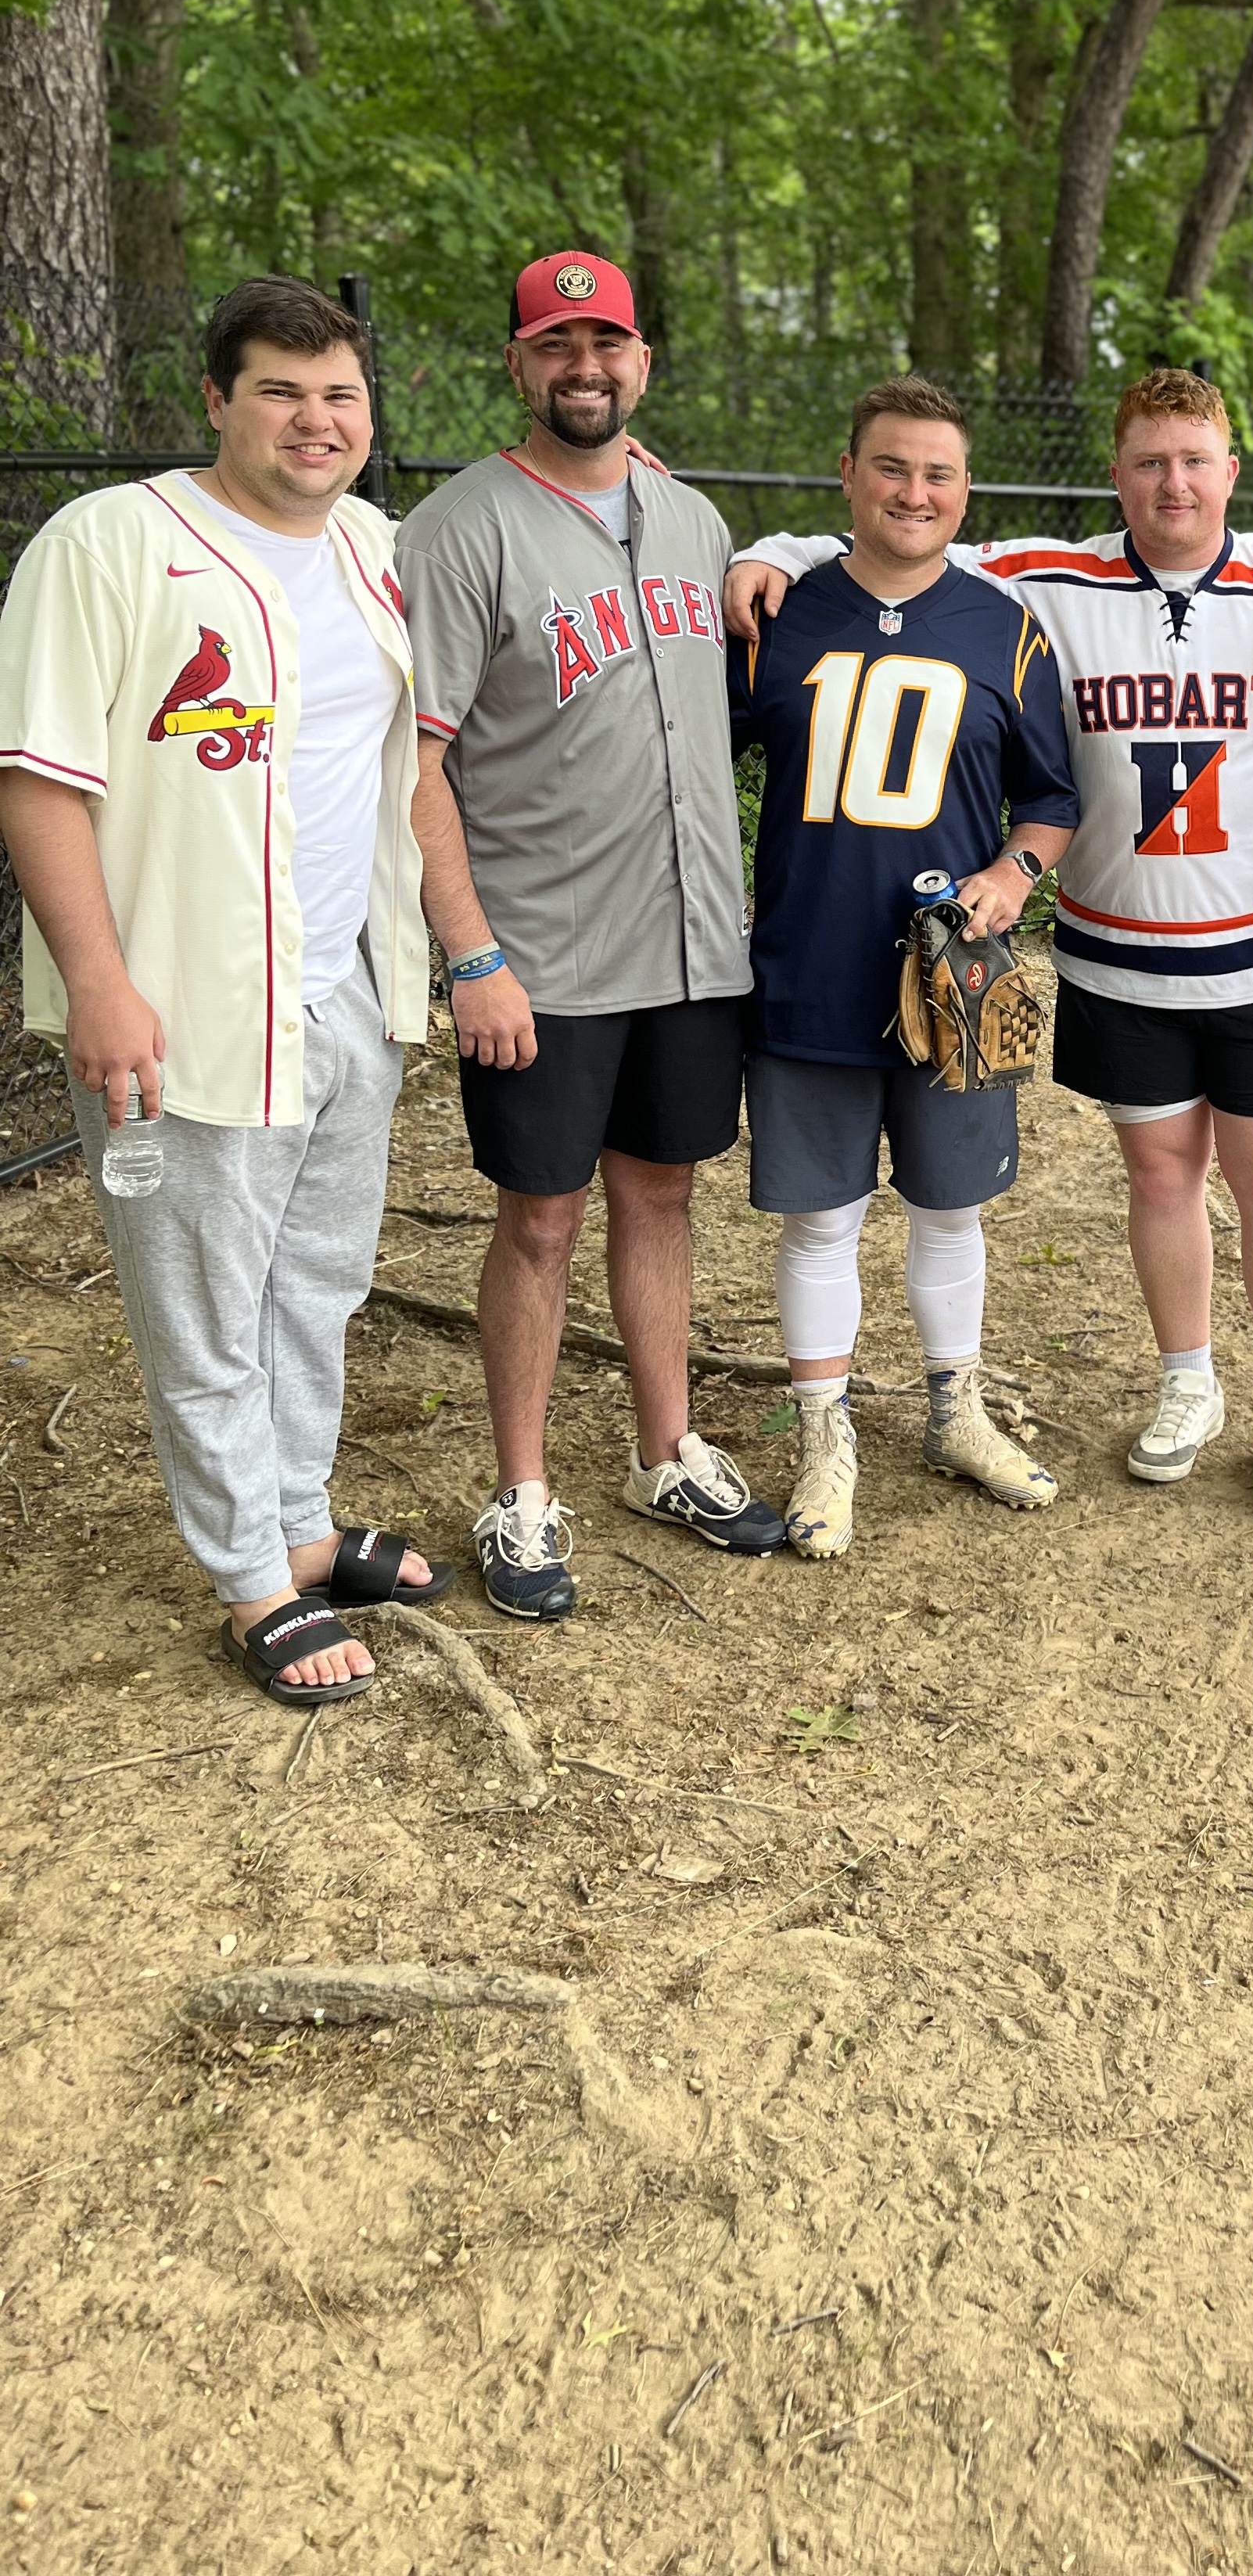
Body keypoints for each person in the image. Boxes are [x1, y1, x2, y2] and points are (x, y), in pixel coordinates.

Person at [725, 368, 1253, 1522]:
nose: (1175, 484)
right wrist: (773, 549)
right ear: (1116, 476)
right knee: (1159, 1176)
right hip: (1121, 954)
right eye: (1149, 463)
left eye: (1196, 461)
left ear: (1232, 471)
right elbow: (905, 544)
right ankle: (1189, 1385)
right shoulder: (1045, 581)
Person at [0, 275, 443, 1707]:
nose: (317, 420)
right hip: (182, 1002)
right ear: (215, 398)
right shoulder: (111, 542)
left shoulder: (376, 546)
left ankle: (299, 1520)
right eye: (280, 391)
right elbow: (38, 781)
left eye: (340, 395)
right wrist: (98, 981)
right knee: (203, 1307)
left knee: (315, 1283)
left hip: (345, 988)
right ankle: (253, 1578)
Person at [398, 250, 779, 1620]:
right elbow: (415, 763)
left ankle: (666, 1453)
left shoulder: (693, 519)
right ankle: (521, 1491)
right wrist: (471, 955)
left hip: (689, 942)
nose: (584, 367)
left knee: (664, 1192)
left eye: (606, 342)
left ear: (642, 363)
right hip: (542, 959)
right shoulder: (458, 530)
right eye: (555, 344)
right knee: (541, 1219)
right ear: (518, 363)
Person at [731, 377, 1079, 1556]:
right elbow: (690, 757)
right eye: (890, 467)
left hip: (953, 978)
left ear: (966, 492)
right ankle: (824, 1437)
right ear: (848, 476)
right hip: (808, 965)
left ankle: (955, 1411)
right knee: (820, 1222)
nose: (913, 492)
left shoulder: (1004, 627)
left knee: (951, 1206)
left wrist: (1015, 876)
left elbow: (1051, 799)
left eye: (937, 474)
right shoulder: (777, 615)